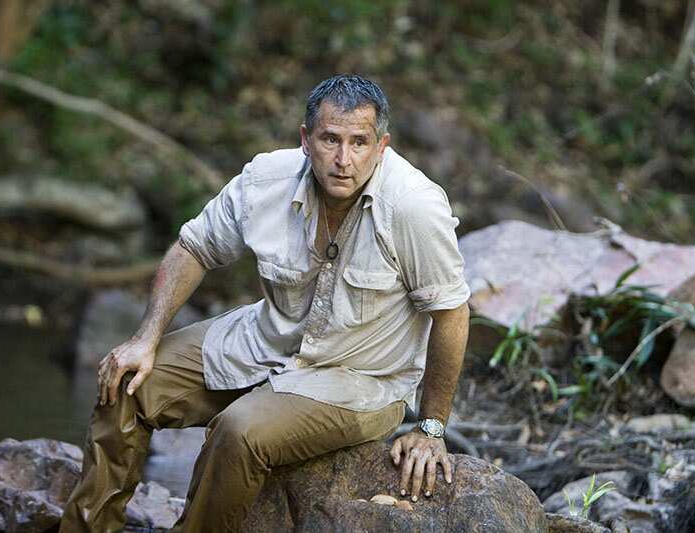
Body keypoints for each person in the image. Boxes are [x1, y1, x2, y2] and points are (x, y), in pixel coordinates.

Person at [60, 74, 470, 532]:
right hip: (265, 341)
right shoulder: (265, 179)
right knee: (125, 385)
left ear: (382, 146)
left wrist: (431, 428)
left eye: (359, 143)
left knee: (240, 432)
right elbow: (193, 248)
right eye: (330, 139)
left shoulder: (413, 206)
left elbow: (451, 312)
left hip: (360, 380)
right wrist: (144, 338)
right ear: (305, 138)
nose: (343, 159)